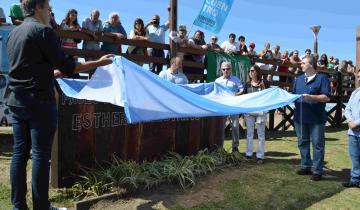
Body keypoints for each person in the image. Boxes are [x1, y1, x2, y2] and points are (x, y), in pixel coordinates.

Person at [6, 0, 114, 209]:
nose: (50, 13)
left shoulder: (13, 33)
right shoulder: (43, 32)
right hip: (39, 102)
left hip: (17, 101)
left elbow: (26, 66)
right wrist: (99, 62)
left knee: (19, 154)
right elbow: (69, 66)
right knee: (40, 154)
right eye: (48, 9)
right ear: (38, 8)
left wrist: (48, 71)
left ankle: (18, 206)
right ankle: (42, 207)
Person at [293, 55, 331, 181]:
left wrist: (311, 97)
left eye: (303, 63)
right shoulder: (298, 79)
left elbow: (326, 97)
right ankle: (305, 166)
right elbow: (293, 97)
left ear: (311, 64)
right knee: (302, 142)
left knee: (317, 145)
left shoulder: (322, 78)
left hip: (316, 119)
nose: (301, 65)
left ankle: (318, 170)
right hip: (300, 118)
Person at [215, 61, 243, 152]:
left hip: (233, 106)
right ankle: (220, 147)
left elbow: (242, 90)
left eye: (227, 69)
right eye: (224, 69)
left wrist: (236, 94)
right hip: (222, 107)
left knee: (235, 126)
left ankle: (235, 147)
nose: (225, 70)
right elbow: (215, 93)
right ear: (221, 70)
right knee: (220, 127)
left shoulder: (236, 79)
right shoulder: (217, 81)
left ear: (231, 69)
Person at [243, 65, 267, 163]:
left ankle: (260, 156)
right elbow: (243, 96)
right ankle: (249, 154)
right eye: (249, 71)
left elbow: (267, 96)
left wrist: (264, 87)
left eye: (252, 70)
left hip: (261, 112)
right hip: (249, 111)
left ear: (257, 72)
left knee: (261, 134)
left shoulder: (263, 83)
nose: (251, 72)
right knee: (249, 133)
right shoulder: (247, 84)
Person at [343, 71, 360, 188]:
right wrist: (350, 121)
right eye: (358, 76)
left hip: (356, 127)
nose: (359, 78)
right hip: (353, 132)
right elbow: (347, 108)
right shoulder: (355, 92)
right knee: (354, 157)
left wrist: (357, 123)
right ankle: (355, 180)